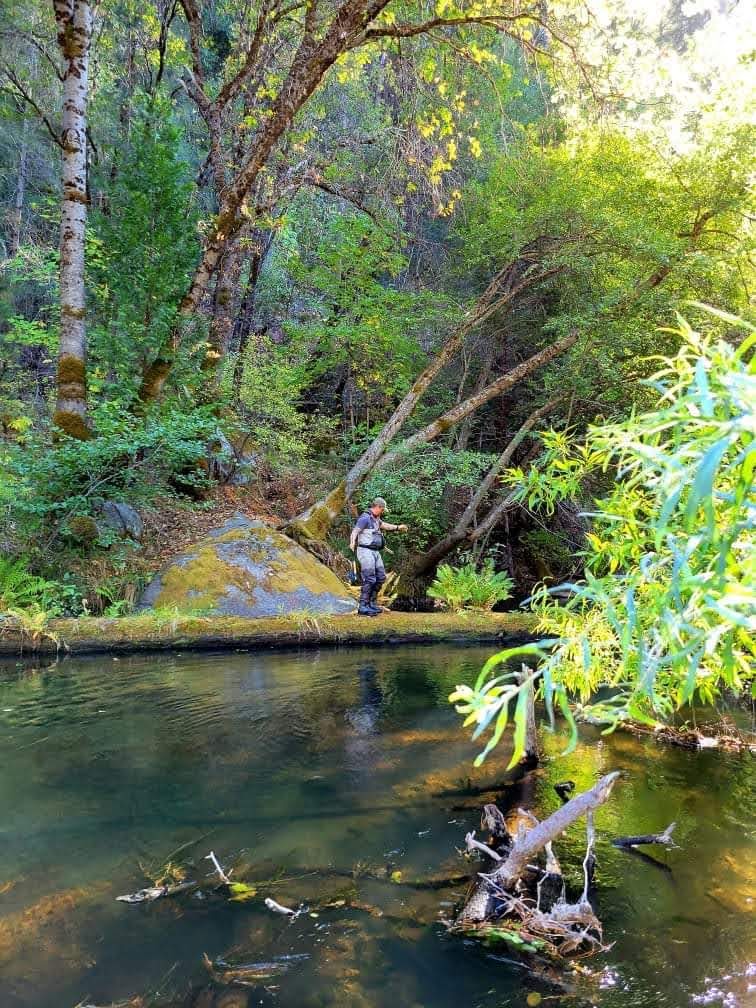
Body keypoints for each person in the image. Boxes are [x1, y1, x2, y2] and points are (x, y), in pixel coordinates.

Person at [349, 497, 408, 616]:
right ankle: (363, 606)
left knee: (381, 577)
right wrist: (352, 542)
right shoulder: (365, 518)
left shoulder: (376, 519)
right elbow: (355, 531)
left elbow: (384, 525)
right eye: (382, 509)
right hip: (365, 551)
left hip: (375, 552)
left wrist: (397, 527)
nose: (383, 511)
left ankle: (372, 603)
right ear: (378, 507)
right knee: (370, 578)